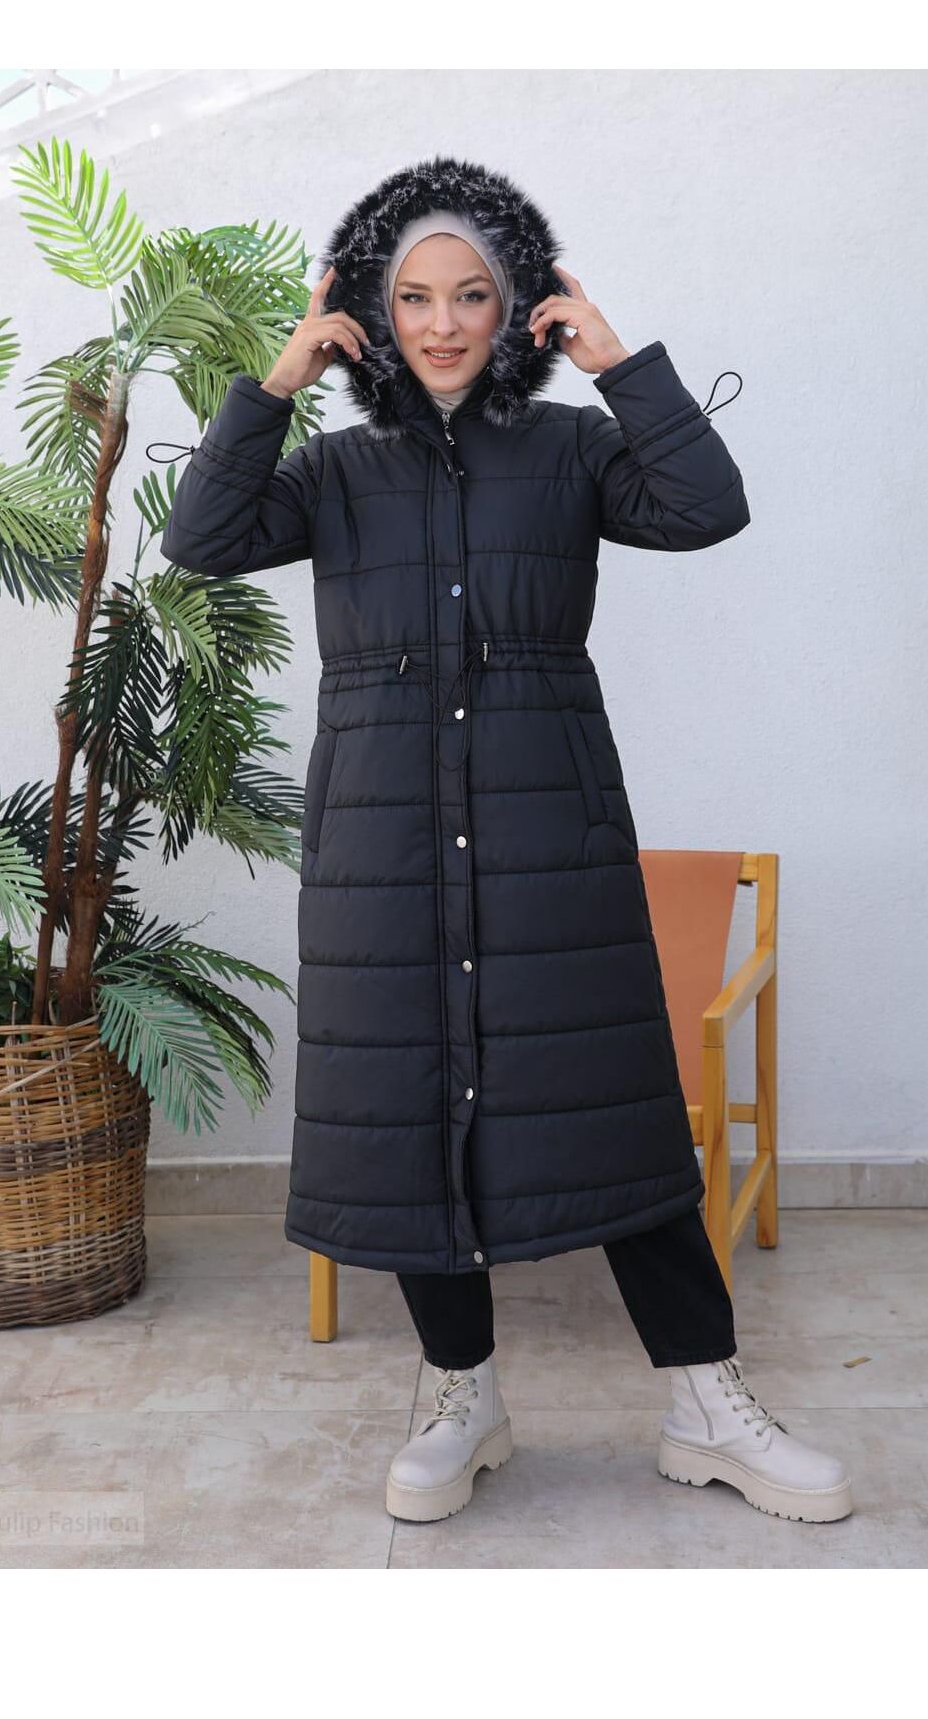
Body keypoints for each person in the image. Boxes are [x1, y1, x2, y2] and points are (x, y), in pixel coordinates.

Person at [160, 155, 852, 1528]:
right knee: (409, 1108)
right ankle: (459, 1391)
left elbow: (708, 507)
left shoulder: (574, 450)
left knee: (612, 1104)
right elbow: (202, 536)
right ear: (371, 308)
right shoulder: (336, 471)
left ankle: (707, 1402)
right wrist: (278, 380)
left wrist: (621, 365)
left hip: (551, 824)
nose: (442, 323)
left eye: (471, 294)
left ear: (516, 300)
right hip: (382, 838)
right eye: (414, 296)